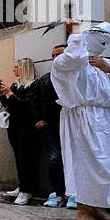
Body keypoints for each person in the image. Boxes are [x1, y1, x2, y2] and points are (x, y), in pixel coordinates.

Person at [51, 22, 110, 220]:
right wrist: (76, 34)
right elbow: (75, 58)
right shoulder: (65, 61)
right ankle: (82, 210)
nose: (104, 44)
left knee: (109, 164)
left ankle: (95, 208)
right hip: (84, 118)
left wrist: (108, 69)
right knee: (87, 162)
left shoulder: (104, 63)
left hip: (108, 118)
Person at [0, 58, 42, 205]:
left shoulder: (34, 84)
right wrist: (3, 94)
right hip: (14, 125)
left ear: (25, 68)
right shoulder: (16, 84)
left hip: (26, 125)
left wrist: (10, 93)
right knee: (18, 155)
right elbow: (9, 105)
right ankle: (22, 186)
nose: (14, 70)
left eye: (16, 67)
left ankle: (27, 190)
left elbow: (25, 106)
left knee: (25, 156)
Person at [33, 43, 73, 208]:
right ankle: (56, 193)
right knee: (54, 159)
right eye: (54, 56)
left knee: (74, 159)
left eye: (60, 55)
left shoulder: (75, 75)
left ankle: (74, 194)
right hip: (51, 125)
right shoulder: (45, 79)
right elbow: (36, 101)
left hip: (73, 124)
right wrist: (39, 119)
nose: (56, 59)